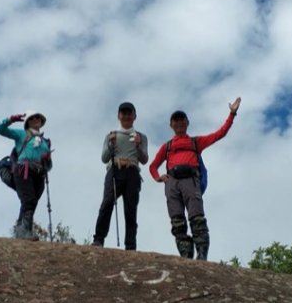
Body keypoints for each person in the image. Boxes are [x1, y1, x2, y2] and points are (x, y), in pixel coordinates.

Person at [149, 98, 241, 261]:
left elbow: (220, 133)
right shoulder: (167, 146)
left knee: (196, 217)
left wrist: (232, 113)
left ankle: (202, 253)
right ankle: (186, 253)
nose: (178, 123)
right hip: (172, 183)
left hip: (191, 181)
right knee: (177, 221)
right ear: (171, 125)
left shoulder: (195, 142)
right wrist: (159, 178)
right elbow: (153, 166)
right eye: (175, 120)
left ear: (187, 122)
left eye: (181, 120)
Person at [92, 102, 149, 251]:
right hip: (115, 170)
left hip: (133, 171)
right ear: (119, 116)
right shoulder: (111, 135)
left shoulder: (141, 137)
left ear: (134, 116)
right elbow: (104, 158)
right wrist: (111, 144)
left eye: (129, 113)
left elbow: (144, 159)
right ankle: (98, 239)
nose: (126, 116)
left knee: (131, 209)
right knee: (107, 203)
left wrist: (138, 146)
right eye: (123, 113)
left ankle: (130, 245)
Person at [0, 111, 51, 239]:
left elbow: (49, 165)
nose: (37, 119)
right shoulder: (22, 134)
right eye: (34, 117)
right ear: (28, 122)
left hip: (39, 174)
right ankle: (25, 231)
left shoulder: (45, 142)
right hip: (23, 170)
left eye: (39, 117)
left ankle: (20, 230)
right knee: (29, 200)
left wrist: (47, 161)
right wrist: (10, 119)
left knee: (30, 202)